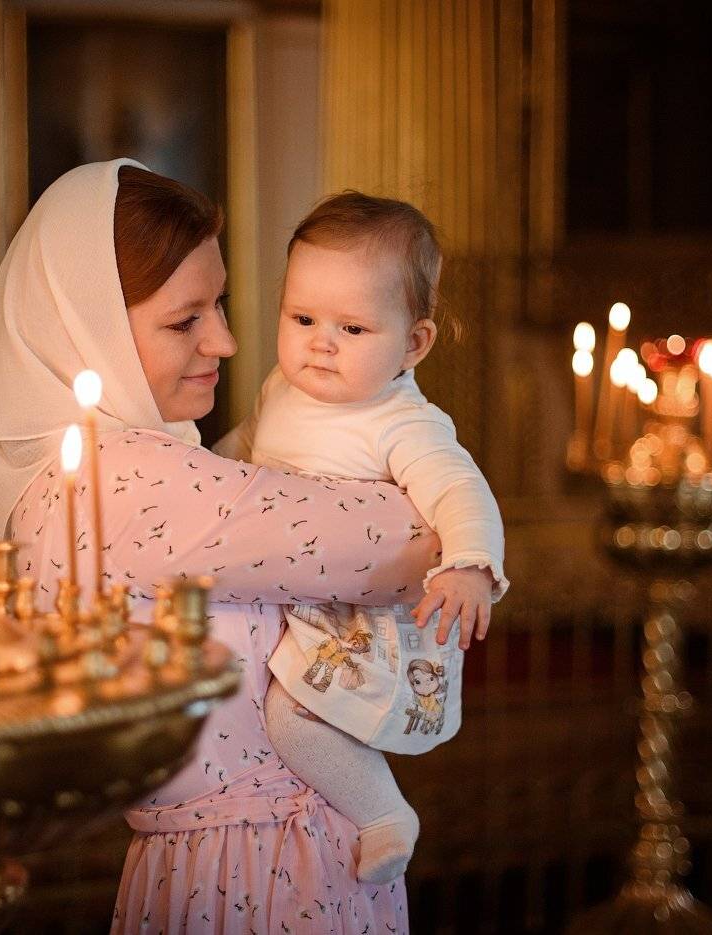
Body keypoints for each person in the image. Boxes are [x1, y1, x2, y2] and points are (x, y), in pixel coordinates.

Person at [0, 159, 441, 933]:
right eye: (186, 319)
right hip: (271, 874)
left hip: (216, 865)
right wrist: (415, 452)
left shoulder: (64, 477)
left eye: (219, 301)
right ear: (93, 327)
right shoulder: (131, 477)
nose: (227, 337)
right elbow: (416, 541)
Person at [214, 193, 509, 884]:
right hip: (295, 596)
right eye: (303, 317)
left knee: (293, 716)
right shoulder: (281, 388)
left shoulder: (404, 423)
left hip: (362, 624)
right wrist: (202, 471)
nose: (320, 341)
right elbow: (246, 449)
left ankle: (384, 812)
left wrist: (468, 565)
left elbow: (462, 491)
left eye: (351, 327)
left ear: (414, 343)